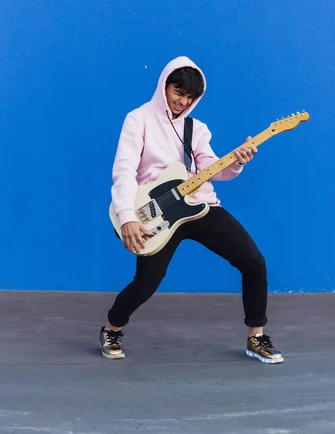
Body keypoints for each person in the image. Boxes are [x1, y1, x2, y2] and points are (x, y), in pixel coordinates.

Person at [99, 56, 283, 364]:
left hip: (199, 206)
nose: (183, 102)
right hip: (157, 213)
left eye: (190, 97)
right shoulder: (138, 119)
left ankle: (256, 337)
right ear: (164, 86)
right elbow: (124, 170)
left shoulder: (195, 128)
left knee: (254, 262)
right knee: (145, 284)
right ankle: (112, 328)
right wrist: (128, 217)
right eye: (178, 93)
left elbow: (211, 168)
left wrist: (236, 161)